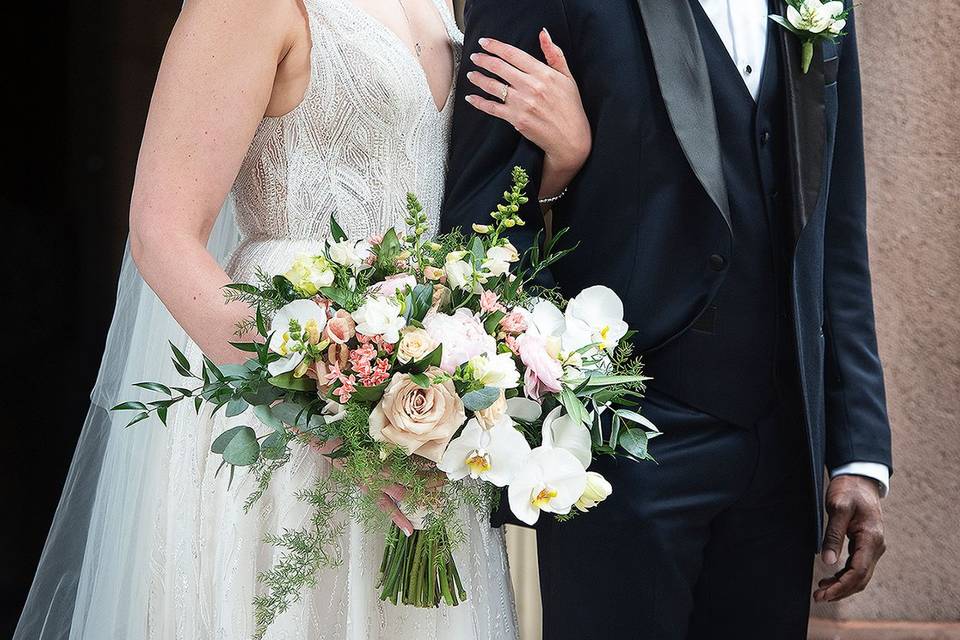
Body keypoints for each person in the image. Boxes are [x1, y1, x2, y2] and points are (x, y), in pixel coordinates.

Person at [13, 0, 588, 638]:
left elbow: (463, 197)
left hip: (429, 389)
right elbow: (161, 233)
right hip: (286, 398)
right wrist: (318, 405)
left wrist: (562, 160)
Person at [442, 0, 892, 638]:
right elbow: (479, 232)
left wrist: (859, 452)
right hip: (620, 451)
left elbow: (835, 228)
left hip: (783, 456)